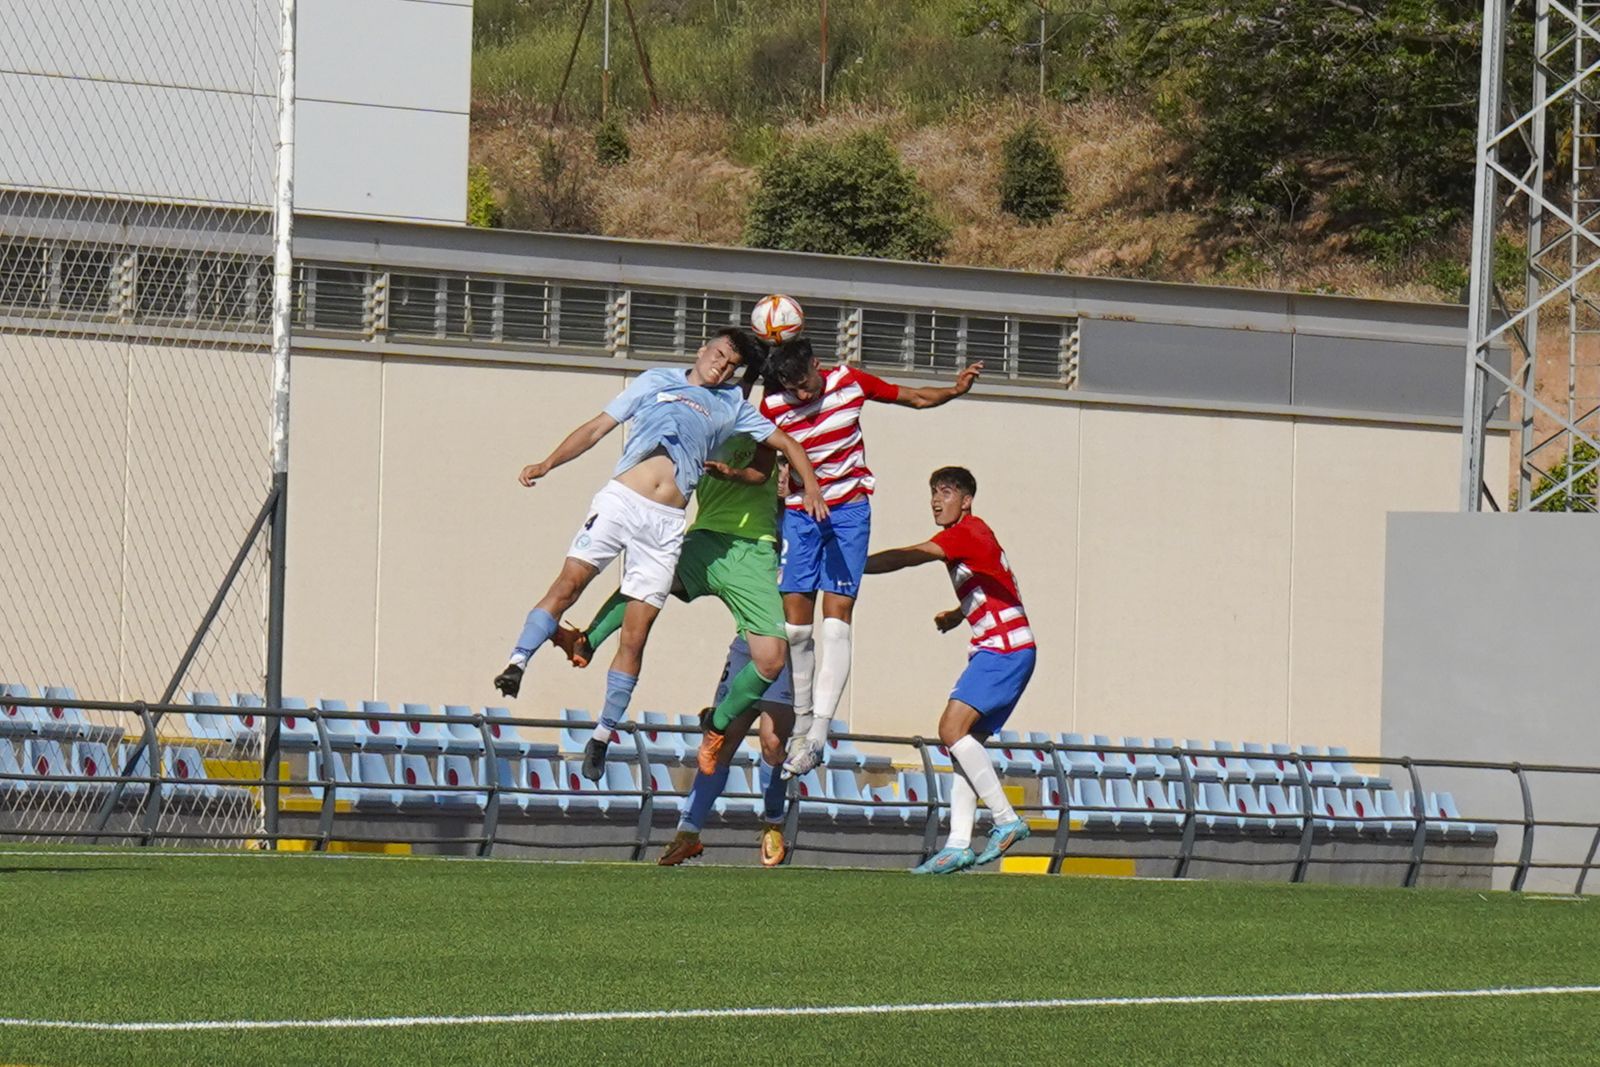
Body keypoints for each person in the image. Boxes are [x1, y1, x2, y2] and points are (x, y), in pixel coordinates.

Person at [491, 327, 827, 783]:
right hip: (626, 504)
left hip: (672, 525)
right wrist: (548, 463)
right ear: (703, 349)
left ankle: (603, 735)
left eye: (733, 366)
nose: (723, 367)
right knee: (569, 584)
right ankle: (517, 663)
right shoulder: (655, 381)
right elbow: (596, 427)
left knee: (640, 630)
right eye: (721, 356)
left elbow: (782, 447)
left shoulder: (734, 408)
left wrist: (809, 487)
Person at [550, 356, 799, 862]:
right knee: (647, 588)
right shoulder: (709, 425)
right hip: (710, 545)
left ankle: (772, 820)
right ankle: (587, 641)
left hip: (770, 594)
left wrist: (786, 483)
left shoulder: (776, 473)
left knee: (774, 740)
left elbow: (764, 465)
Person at [757, 338, 983, 778]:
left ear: (817, 364)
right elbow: (762, 461)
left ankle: (817, 732)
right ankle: (802, 719)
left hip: (848, 509)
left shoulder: (849, 382)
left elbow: (913, 398)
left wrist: (954, 391)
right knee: (796, 628)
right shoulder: (772, 407)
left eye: (805, 384)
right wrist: (773, 485)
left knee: (836, 619)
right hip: (802, 515)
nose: (802, 395)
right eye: (793, 388)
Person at [863, 465, 1035, 874]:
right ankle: (958, 843)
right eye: (933, 493)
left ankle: (1006, 819)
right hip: (1006, 649)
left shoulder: (965, 532)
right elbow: (1003, 582)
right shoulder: (976, 536)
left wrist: (857, 564)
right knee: (964, 744)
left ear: (966, 499)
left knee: (950, 730)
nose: (937, 500)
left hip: (1003, 650)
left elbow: (911, 556)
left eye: (946, 492)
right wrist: (961, 614)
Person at [657, 635, 795, 867]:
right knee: (720, 742)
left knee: (772, 742)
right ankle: (688, 833)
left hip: (783, 651)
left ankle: (774, 824)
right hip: (747, 648)